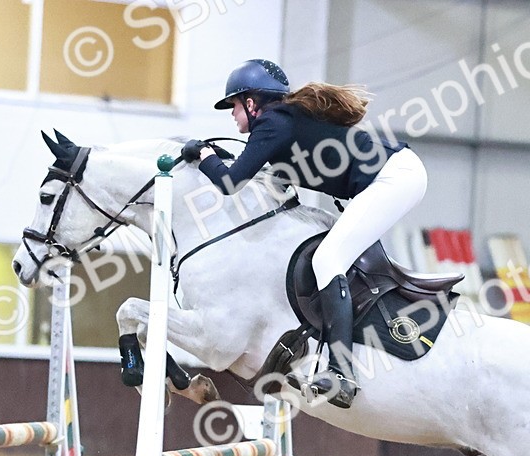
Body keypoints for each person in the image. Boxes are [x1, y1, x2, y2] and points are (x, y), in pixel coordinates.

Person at [181, 58, 427, 410]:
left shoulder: (272, 122)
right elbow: (254, 173)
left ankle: (341, 372)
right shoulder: (281, 123)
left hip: (394, 177)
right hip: (397, 173)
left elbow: (231, 182)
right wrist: (218, 158)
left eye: (234, 106)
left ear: (252, 103)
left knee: (329, 258)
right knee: (333, 255)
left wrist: (203, 154)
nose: (232, 115)